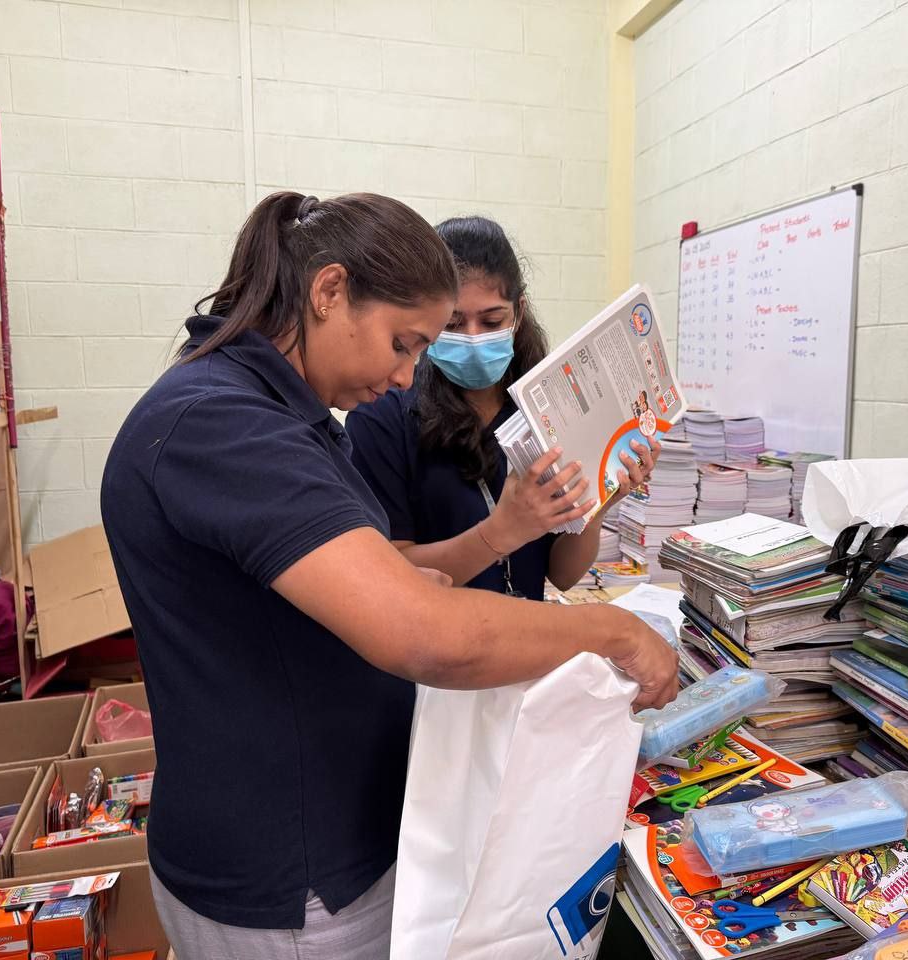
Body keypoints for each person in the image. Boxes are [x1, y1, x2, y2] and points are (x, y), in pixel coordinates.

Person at [99, 193, 678, 959]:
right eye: (405, 343)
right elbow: (422, 634)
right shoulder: (222, 425)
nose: (409, 376)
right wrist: (613, 629)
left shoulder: (287, 415)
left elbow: (393, 586)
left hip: (351, 825)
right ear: (329, 291)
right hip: (293, 878)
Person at [345, 216, 660, 599]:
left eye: (492, 320)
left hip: (524, 641)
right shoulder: (383, 416)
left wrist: (602, 502)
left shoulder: (545, 406)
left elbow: (561, 575)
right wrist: (501, 532)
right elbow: (387, 575)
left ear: (519, 313)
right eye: (453, 323)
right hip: (435, 649)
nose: (473, 338)